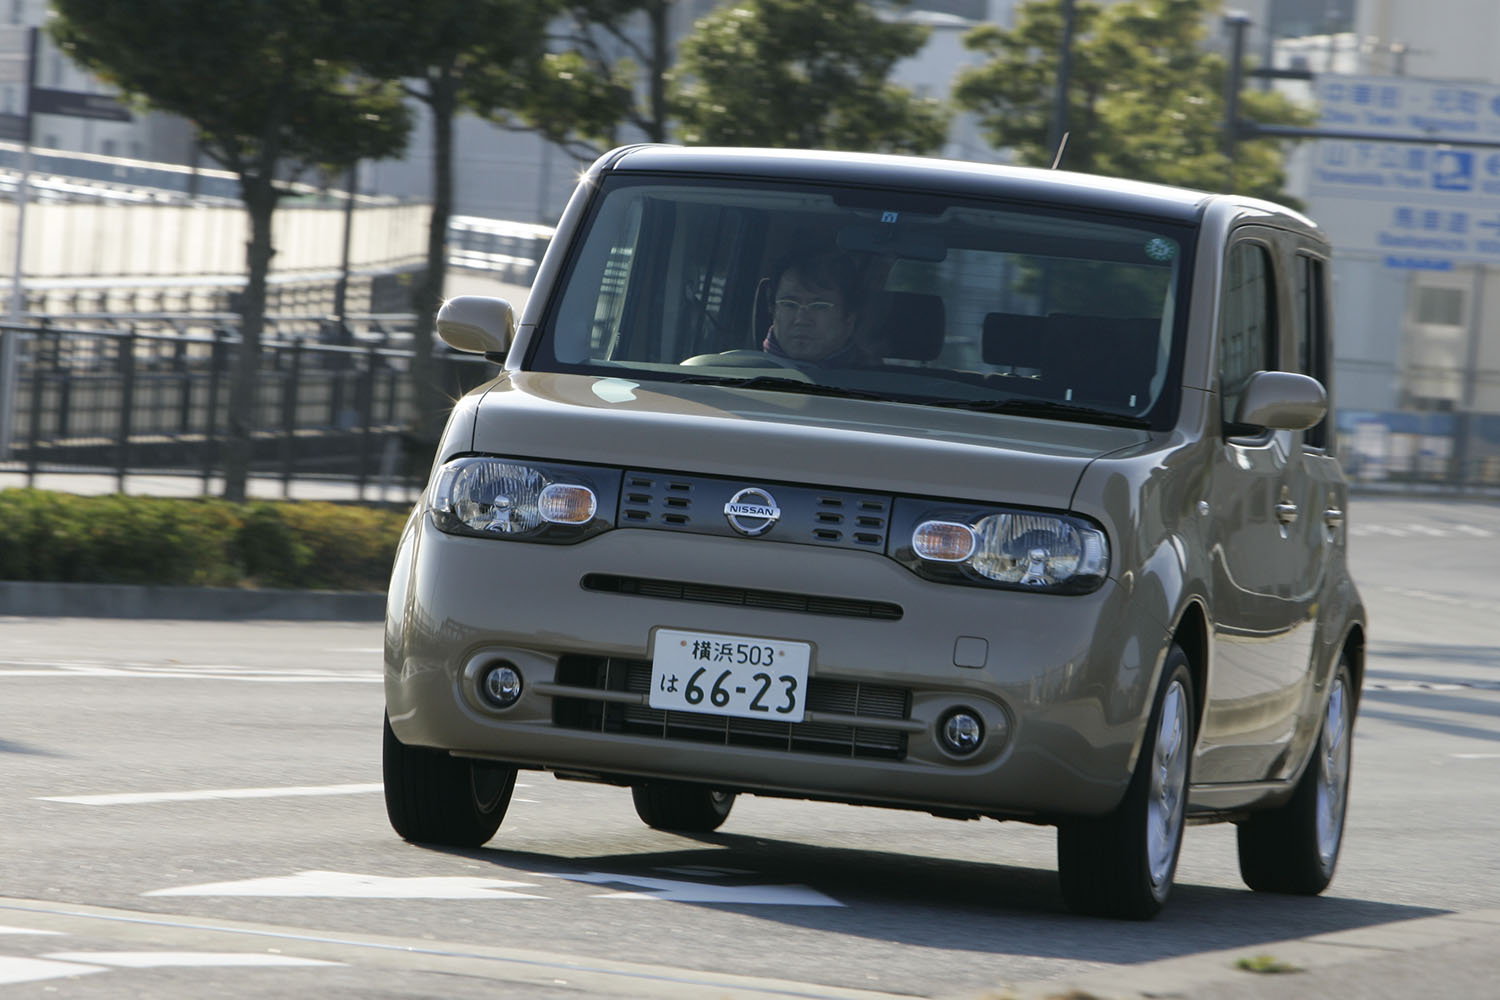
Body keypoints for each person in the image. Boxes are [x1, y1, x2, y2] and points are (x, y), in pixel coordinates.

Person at [762, 250, 868, 365]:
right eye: (789, 304)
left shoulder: (875, 379)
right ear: (772, 310)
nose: (801, 320)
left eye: (819, 306)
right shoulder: (745, 373)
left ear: (849, 319)